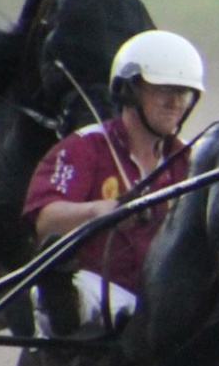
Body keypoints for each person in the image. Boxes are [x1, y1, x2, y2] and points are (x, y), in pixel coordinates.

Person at [22, 30, 204, 330]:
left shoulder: (195, 160)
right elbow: (46, 220)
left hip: (165, 300)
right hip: (99, 288)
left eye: (183, 93)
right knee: (83, 290)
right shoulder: (83, 147)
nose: (175, 103)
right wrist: (100, 212)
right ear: (128, 91)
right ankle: (62, 302)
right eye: (163, 90)